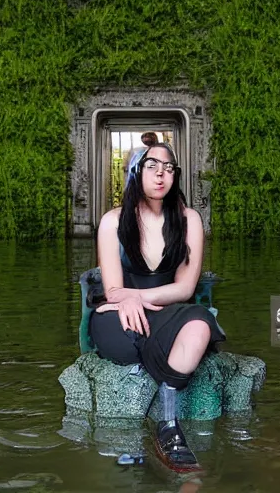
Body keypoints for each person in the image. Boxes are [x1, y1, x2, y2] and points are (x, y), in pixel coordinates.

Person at [88, 134, 219, 471]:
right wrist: (122, 300)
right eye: (152, 166)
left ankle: (167, 423)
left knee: (200, 325)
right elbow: (114, 288)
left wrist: (135, 297)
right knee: (125, 334)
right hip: (120, 314)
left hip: (167, 310)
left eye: (169, 168)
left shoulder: (188, 220)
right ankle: (162, 407)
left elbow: (185, 287)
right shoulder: (112, 221)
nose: (161, 174)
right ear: (135, 171)